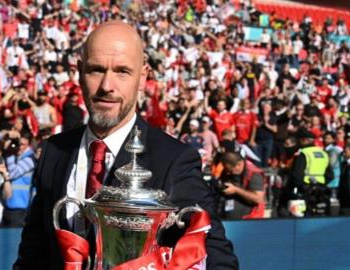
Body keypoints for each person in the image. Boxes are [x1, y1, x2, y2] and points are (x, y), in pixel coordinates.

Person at [14, 21, 238, 269]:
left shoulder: (174, 160)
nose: (107, 86)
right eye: (96, 70)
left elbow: (218, 259)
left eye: (122, 71)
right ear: (79, 72)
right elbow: (32, 256)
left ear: (142, 77)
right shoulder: (55, 151)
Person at [284, 129, 334, 216]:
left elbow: (296, 175)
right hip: (321, 192)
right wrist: (320, 184)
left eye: (299, 140)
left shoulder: (303, 154)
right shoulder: (323, 153)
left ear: (304, 140)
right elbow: (330, 175)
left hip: (304, 192)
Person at [217, 152, 266, 219]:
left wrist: (236, 190)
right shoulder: (227, 172)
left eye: (230, 171)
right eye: (226, 170)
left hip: (249, 220)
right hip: (228, 218)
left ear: (239, 164)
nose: (228, 173)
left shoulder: (254, 174)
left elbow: (258, 199)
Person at [2, 131, 36, 226]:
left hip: (20, 206)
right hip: (7, 204)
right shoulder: (15, 156)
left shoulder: (30, 159)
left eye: (22, 144)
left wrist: (10, 153)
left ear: (28, 145)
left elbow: (13, 173)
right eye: (17, 143)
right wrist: (7, 136)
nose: (19, 147)